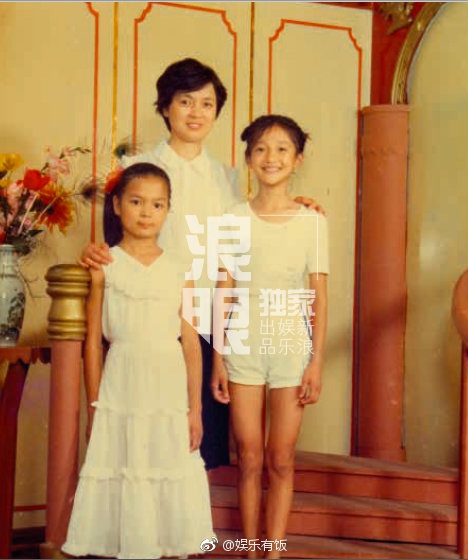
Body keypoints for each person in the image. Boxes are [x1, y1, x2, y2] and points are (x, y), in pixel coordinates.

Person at [81, 58, 324, 471]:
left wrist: (297, 206)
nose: (196, 113)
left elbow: (256, 221)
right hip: (154, 320)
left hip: (212, 323)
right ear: (165, 107)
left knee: (202, 445)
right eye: (185, 101)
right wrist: (93, 254)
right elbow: (113, 247)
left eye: (207, 104)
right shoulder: (135, 170)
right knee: (147, 441)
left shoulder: (227, 177)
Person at [62, 163, 214, 559]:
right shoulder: (105, 265)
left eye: (157, 204)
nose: (147, 212)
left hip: (167, 384)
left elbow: (191, 343)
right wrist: (94, 403)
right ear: (116, 205)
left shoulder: (181, 269)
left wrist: (195, 409)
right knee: (125, 466)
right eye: (136, 202)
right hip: (122, 383)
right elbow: (93, 344)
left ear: (168, 210)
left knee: (167, 464)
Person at [211, 115, 328, 559]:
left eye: (282, 149)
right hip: (242, 342)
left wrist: (316, 361)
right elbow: (223, 290)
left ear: (297, 160)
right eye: (260, 148)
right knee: (249, 456)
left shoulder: (312, 221)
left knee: (281, 458)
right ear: (248, 159)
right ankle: (249, 551)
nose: (270, 157)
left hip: (291, 345)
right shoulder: (232, 218)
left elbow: (319, 296)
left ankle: (273, 552)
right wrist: (218, 358)